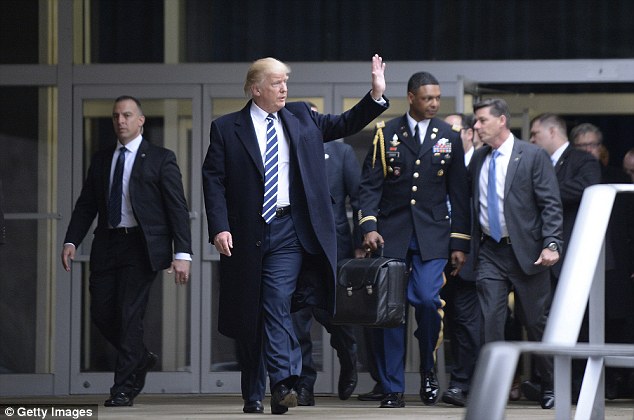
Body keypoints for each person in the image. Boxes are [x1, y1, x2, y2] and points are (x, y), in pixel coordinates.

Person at [202, 55, 388, 415]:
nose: (284, 88)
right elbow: (214, 181)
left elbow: (345, 122)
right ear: (256, 89)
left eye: (286, 81)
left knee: (276, 301)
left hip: (289, 231)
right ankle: (253, 394)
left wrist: (375, 95)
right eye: (276, 83)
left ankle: (283, 382)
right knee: (253, 314)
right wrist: (219, 226)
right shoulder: (226, 128)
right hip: (247, 235)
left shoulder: (302, 116)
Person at [61, 95, 192, 407]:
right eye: (116, 116)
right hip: (107, 244)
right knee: (101, 313)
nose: (121, 121)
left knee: (129, 314)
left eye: (127, 115)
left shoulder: (161, 158)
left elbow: (177, 208)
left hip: (141, 246)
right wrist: (71, 241)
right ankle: (140, 357)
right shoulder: (102, 158)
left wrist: (182, 253)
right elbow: (86, 204)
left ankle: (122, 388)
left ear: (141, 120)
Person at [358, 71, 471, 409]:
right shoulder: (386, 133)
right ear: (411, 97)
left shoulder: (448, 136)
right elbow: (370, 187)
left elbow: (459, 193)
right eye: (427, 98)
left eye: (437, 98)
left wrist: (459, 243)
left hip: (432, 237)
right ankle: (392, 387)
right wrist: (369, 226)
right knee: (391, 312)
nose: (434, 104)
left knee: (425, 300)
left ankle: (426, 367)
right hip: (391, 235)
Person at [470, 98, 563, 410]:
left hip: (528, 251)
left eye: (482, 120)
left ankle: (550, 384)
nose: (476, 126)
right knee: (490, 321)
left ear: (502, 120)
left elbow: (550, 204)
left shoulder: (532, 155)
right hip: (490, 251)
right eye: (476, 120)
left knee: (536, 322)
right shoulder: (479, 158)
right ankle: (495, 388)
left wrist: (552, 244)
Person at [290, 103, 363, 406]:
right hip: (296, 245)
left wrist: (360, 241)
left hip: (334, 247)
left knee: (334, 315)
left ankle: (348, 358)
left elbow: (359, 198)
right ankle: (303, 384)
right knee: (297, 318)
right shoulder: (288, 151)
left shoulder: (341, 152)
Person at [439, 113, 481, 407]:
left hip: (473, 257)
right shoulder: (437, 164)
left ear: (468, 134)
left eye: (453, 130)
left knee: (468, 322)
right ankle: (454, 382)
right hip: (437, 256)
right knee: (451, 322)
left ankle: (464, 384)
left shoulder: (481, 162)